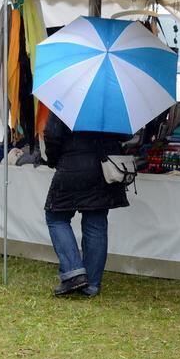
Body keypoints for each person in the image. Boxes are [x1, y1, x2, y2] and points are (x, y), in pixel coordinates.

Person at [43, 116, 129, 298]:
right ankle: (91, 285)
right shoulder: (114, 100)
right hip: (104, 168)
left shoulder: (69, 96)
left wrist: (53, 159)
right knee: (96, 223)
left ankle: (74, 273)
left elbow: (52, 134)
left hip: (72, 166)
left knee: (56, 217)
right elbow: (126, 134)